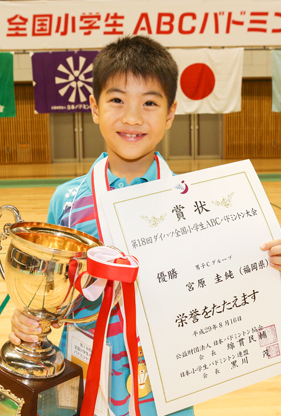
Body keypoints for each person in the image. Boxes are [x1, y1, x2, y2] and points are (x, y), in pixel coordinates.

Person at [9, 35, 281, 416]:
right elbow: (55, 292)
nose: (133, 117)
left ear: (170, 113)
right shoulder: (66, 202)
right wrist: (33, 318)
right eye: (117, 100)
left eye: (149, 103)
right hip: (87, 377)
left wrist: (269, 266)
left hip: (165, 383)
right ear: (94, 108)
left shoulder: (197, 209)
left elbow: (223, 281)